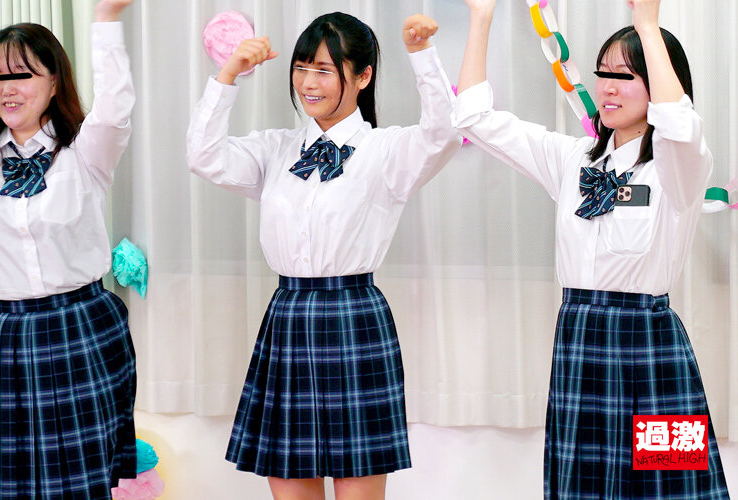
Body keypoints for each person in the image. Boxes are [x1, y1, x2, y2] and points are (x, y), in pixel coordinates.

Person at [453, 0, 730, 498]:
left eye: (625, 76)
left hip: (650, 346)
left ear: (660, 83)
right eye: (603, 73)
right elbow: (475, 117)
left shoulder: (680, 167)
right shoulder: (572, 159)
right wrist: (481, 18)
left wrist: (648, 26)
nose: (607, 87)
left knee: (672, 485)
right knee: (583, 487)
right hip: (580, 343)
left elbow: (680, 125)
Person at [187, 11, 460, 500]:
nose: (308, 83)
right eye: (301, 68)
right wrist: (227, 77)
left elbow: (443, 135)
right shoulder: (275, 149)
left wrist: (422, 55)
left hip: (354, 319)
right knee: (290, 484)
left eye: (324, 70)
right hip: (288, 318)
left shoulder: (386, 150)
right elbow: (203, 156)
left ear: (363, 77)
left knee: (358, 486)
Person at [0, 0, 137, 498]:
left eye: (22, 74)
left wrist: (106, 21)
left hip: (79, 329)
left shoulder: (86, 150)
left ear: (53, 83)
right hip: (4, 336)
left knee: (75, 485)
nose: (6, 88)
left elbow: (115, 108)